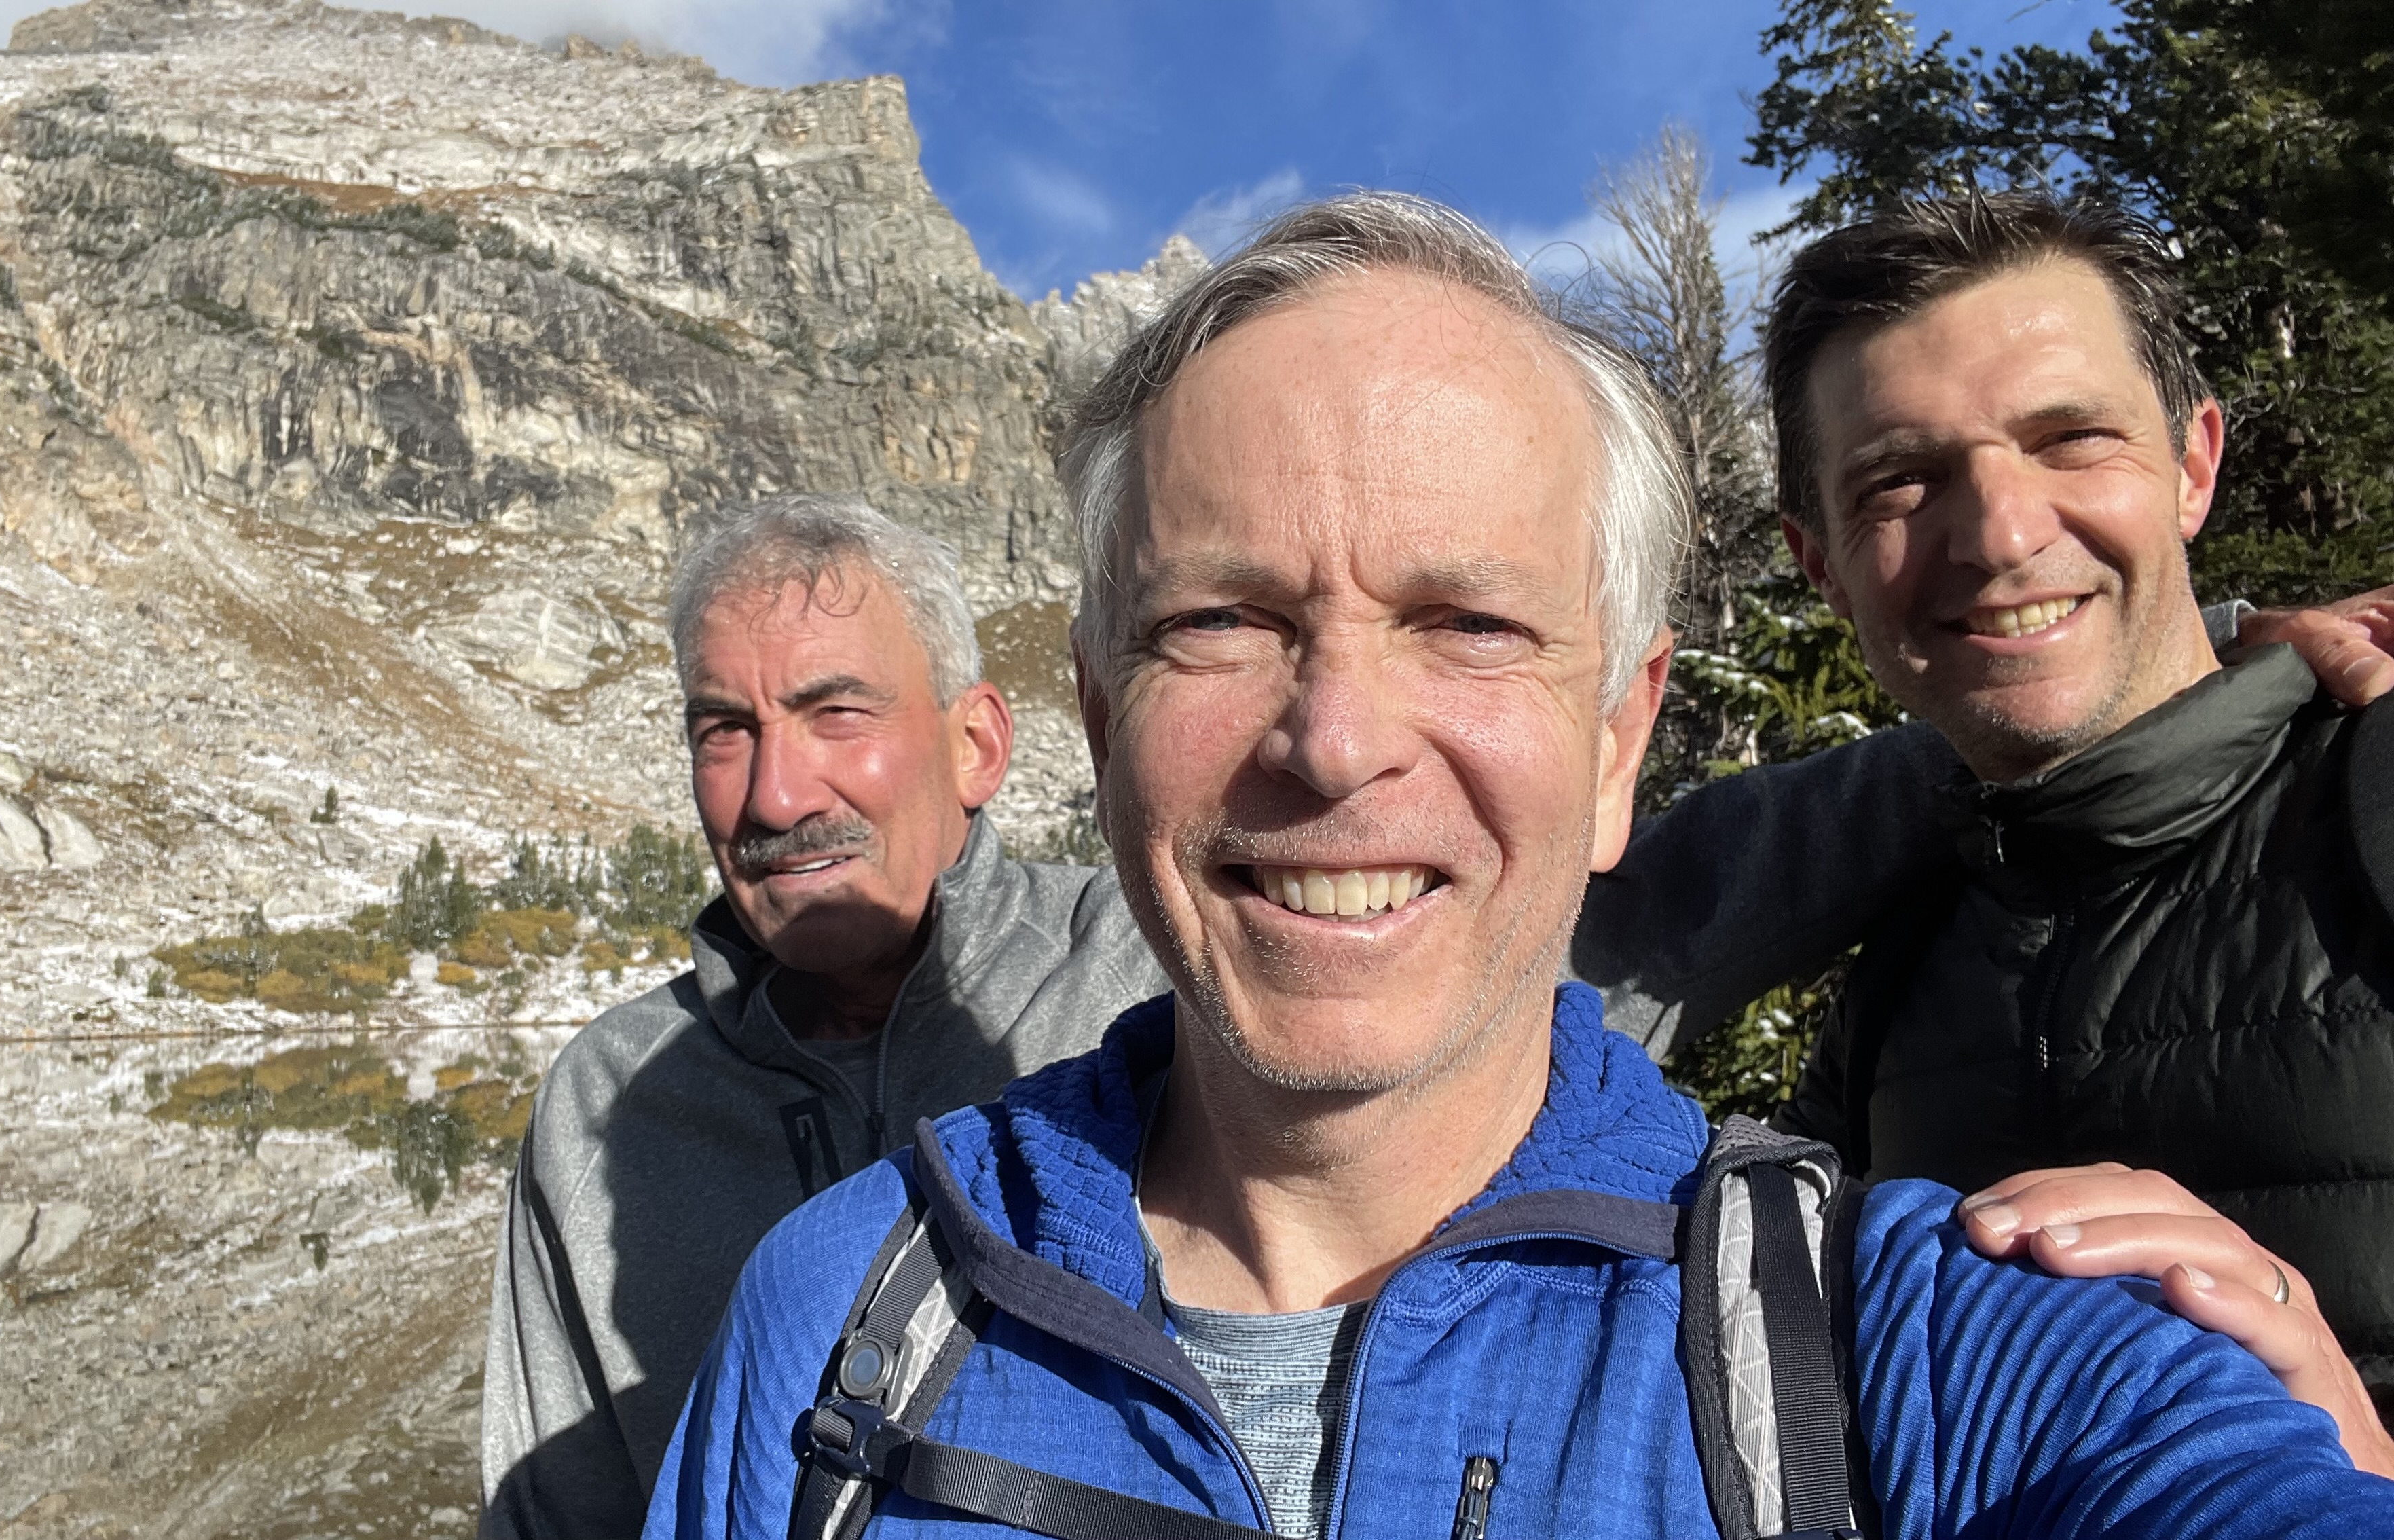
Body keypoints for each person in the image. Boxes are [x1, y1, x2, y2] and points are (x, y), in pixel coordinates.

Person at [648, 192, 2394, 1539]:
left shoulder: (1880, 1341)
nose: (1336, 740)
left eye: (1471, 623)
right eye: (1222, 622)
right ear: (1097, 725)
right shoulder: (838, 1316)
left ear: (1621, 738)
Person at [1577, 192, 2394, 1439]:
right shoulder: (1904, 947)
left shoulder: (2371, 792)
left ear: (2193, 465)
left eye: (2072, 439)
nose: (2003, 534)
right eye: (1902, 481)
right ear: (1822, 564)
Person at [476, 495, 1166, 1537]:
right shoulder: (604, 1101)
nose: (776, 796)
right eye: (726, 731)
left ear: (977, 743)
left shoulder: (1151, 973)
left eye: (836, 712)